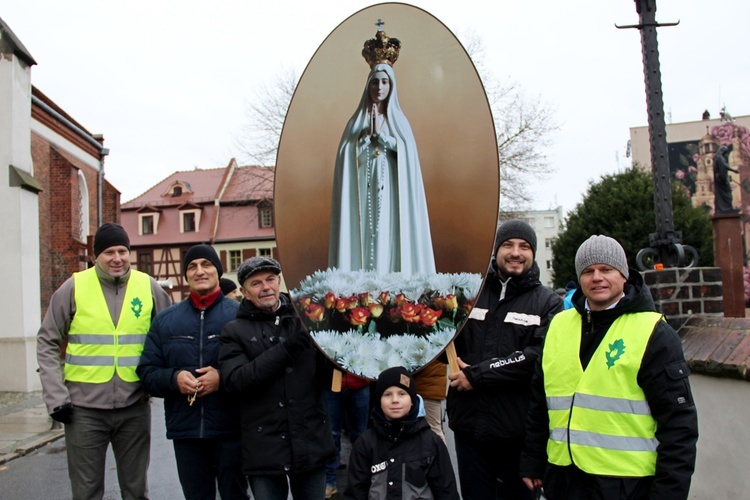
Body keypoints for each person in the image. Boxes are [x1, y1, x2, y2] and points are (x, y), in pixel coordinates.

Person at [520, 235, 698, 499]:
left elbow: (679, 426)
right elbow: (539, 403)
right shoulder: (558, 325)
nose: (597, 277)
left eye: (606, 269)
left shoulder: (653, 332)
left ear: (623, 275)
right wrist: (533, 461)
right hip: (564, 479)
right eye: (588, 271)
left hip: (626, 485)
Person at [36, 222, 172, 500]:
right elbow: (47, 340)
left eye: (123, 251)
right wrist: (56, 398)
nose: (117, 258)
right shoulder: (74, 286)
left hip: (134, 406)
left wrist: (166, 381)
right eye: (109, 252)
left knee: (136, 492)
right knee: (86, 492)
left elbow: (170, 334)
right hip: (82, 411)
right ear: (95, 256)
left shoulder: (148, 287)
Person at [446, 219, 562, 500]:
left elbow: (537, 356)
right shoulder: (468, 294)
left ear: (533, 254)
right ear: (495, 250)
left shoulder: (548, 303)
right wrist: (449, 362)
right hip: (469, 427)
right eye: (508, 245)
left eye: (524, 246)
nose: (515, 252)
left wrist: (477, 375)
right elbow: (442, 338)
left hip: (518, 432)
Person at [137, 244, 248, 500]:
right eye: (192, 266)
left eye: (206, 265)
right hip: (186, 431)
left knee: (236, 495)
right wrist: (174, 379)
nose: (200, 271)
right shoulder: (165, 320)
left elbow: (256, 367)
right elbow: (147, 372)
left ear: (218, 271)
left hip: (232, 428)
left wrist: (222, 378)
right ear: (186, 275)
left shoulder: (241, 316)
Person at [219, 256, 335, 500]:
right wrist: (286, 349)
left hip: (310, 440)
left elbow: (327, 380)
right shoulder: (234, 331)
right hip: (264, 448)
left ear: (279, 281)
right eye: (256, 283)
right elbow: (236, 381)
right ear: (245, 292)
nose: (266, 288)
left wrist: (331, 350)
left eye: (270, 279)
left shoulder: (306, 317)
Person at [328, 22, 435, 275]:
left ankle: (392, 276)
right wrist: (363, 140)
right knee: (365, 232)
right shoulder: (356, 123)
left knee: (388, 233)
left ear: (391, 86)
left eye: (384, 82)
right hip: (363, 188)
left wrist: (385, 140)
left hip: (392, 193)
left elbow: (408, 158)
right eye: (375, 82)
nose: (379, 88)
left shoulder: (400, 122)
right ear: (368, 85)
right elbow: (345, 160)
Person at [344, 366, 459, 500]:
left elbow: (446, 491)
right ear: (379, 401)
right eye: (387, 394)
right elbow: (355, 492)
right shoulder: (365, 443)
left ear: (412, 401)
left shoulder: (431, 443)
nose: (395, 400)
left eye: (402, 394)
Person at [321, 370, 370, 499]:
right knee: (331, 434)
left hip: (360, 382)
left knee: (361, 435)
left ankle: (362, 480)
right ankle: (329, 480)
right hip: (330, 383)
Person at [413, 359, 449, 442]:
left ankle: (441, 453)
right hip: (428, 384)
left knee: (434, 428)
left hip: (427, 384)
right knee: (434, 427)